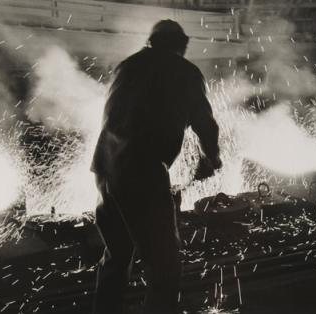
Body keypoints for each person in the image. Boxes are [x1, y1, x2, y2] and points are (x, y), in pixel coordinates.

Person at [91, 19, 222, 314]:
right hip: (143, 173)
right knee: (165, 265)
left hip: (104, 168)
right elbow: (204, 122)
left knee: (117, 255)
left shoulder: (127, 66)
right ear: (181, 44)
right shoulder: (184, 71)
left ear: (151, 41)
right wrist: (211, 157)